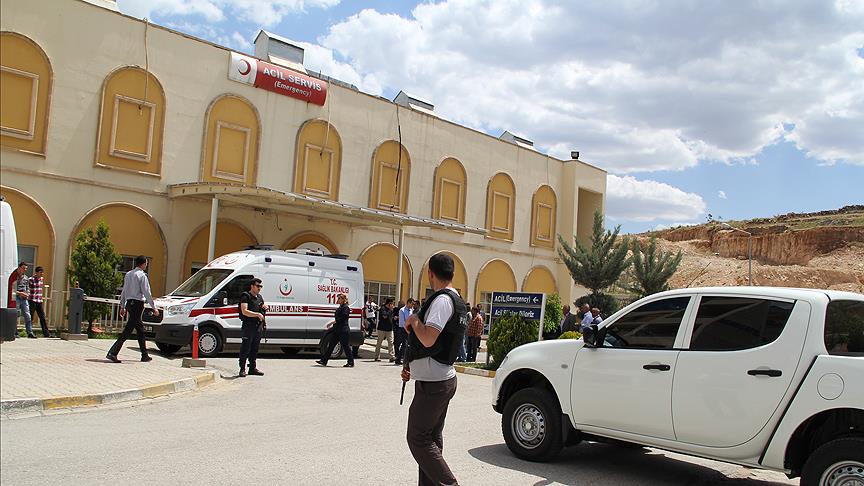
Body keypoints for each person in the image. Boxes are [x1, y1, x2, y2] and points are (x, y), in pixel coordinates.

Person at [402, 253, 467, 486]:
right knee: (431, 439)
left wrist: (414, 320)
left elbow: (429, 338)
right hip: (438, 379)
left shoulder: (442, 301)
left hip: (435, 384)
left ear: (430, 274)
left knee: (418, 438)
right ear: (452, 273)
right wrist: (412, 367)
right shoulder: (455, 299)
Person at [107, 256, 160, 363]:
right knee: (128, 330)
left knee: (140, 330)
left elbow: (124, 290)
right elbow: (146, 292)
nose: (146, 265)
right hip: (137, 304)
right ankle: (113, 352)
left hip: (129, 304)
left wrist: (122, 305)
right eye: (146, 263)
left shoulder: (128, 274)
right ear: (143, 264)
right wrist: (154, 308)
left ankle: (144, 355)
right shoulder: (142, 276)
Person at [238, 278, 268, 377]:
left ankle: (252, 368)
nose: (259, 288)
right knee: (245, 348)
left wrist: (264, 307)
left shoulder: (259, 297)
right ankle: (242, 369)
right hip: (248, 326)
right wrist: (257, 314)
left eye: (261, 286)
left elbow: (261, 306)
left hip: (257, 326)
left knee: (255, 348)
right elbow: (244, 311)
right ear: (252, 286)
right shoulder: (245, 296)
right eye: (257, 286)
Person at [317, 293, 354, 367]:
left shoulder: (346, 308)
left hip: (343, 330)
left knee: (346, 346)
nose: (338, 300)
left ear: (343, 300)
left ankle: (350, 362)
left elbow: (342, 319)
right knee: (331, 345)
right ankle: (324, 361)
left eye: (339, 298)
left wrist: (331, 323)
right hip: (337, 330)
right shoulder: (340, 307)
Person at [28, 266, 51, 338]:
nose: (42, 274)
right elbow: (28, 288)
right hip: (32, 300)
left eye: (42, 272)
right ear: (36, 272)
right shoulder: (31, 279)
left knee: (42, 317)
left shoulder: (41, 279)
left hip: (39, 301)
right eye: (40, 272)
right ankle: (30, 332)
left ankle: (46, 333)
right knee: (31, 317)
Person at [13, 263, 35, 338]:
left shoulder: (26, 278)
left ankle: (30, 332)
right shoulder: (14, 277)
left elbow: (27, 287)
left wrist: (27, 294)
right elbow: (12, 289)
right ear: (19, 268)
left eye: (26, 268)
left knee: (27, 315)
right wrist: (20, 293)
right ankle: (15, 332)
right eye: (23, 268)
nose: (25, 270)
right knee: (16, 315)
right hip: (16, 297)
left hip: (24, 298)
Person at [374, 298, 396, 362]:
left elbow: (390, 317)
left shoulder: (391, 310)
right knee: (379, 342)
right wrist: (390, 310)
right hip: (382, 328)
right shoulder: (383, 308)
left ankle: (391, 356)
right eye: (392, 303)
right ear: (389, 303)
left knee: (391, 342)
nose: (393, 305)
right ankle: (377, 356)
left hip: (389, 328)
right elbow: (385, 316)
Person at [395, 298, 414, 365]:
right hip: (402, 329)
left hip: (409, 329)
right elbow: (402, 322)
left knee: (406, 345)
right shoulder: (402, 310)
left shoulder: (412, 310)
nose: (412, 305)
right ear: (408, 303)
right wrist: (407, 330)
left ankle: (401, 358)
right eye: (412, 304)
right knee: (404, 344)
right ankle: (399, 358)